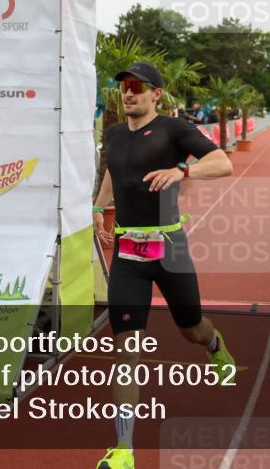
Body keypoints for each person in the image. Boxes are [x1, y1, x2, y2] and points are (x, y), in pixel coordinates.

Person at [92, 62, 236, 469]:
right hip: (127, 254)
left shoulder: (175, 130)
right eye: (123, 87)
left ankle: (214, 345)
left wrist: (181, 169)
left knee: (191, 327)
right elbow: (111, 175)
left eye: (136, 86)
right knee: (127, 351)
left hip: (169, 249)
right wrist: (97, 207)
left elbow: (223, 162)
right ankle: (124, 450)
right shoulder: (116, 135)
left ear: (156, 93)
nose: (128, 93)